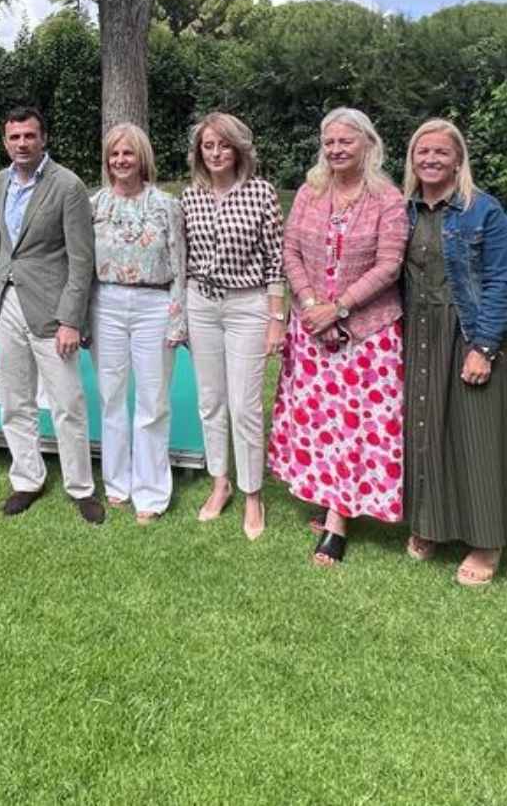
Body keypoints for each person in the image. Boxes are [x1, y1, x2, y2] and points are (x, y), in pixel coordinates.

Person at [269, 107, 407, 563]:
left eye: (345, 141)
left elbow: (389, 264)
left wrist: (340, 308)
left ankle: (339, 521)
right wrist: (310, 304)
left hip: (365, 333)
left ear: (368, 143)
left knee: (355, 429)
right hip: (312, 329)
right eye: (329, 142)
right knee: (318, 423)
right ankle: (329, 498)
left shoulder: (387, 198)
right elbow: (289, 249)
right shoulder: (311, 192)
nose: (336, 149)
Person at [397, 119, 507, 585]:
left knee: (477, 437)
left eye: (440, 153)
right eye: (421, 152)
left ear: (458, 159)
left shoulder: (483, 211)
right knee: (425, 429)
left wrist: (484, 347)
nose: (430, 160)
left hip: (468, 329)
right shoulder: (404, 210)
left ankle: (487, 541)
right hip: (419, 330)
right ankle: (430, 524)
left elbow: (498, 282)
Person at [0, 106, 100, 523]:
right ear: (5, 141)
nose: (22, 144)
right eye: (14, 137)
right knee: (15, 400)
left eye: (29, 136)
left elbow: (81, 260)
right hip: (7, 304)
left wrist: (71, 319)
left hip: (53, 309)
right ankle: (26, 479)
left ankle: (81, 487)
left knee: (67, 401)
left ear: (43, 138)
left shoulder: (67, 186)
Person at [182, 112, 285, 540]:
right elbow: (183, 257)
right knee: (211, 400)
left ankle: (252, 493)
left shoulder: (261, 194)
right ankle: (219, 481)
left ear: (239, 149)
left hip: (248, 304)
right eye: (209, 146)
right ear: (199, 152)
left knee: (244, 404)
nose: (217, 153)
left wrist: (277, 318)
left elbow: (276, 258)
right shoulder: (189, 197)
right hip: (201, 303)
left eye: (224, 145)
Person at [90, 122, 187, 525]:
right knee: (111, 396)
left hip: (153, 302)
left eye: (128, 153)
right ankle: (117, 482)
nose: (120, 160)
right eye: (114, 154)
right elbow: (82, 263)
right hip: (106, 302)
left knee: (152, 400)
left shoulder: (166, 205)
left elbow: (181, 263)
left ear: (141, 157)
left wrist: (177, 317)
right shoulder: (94, 203)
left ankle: (151, 490)